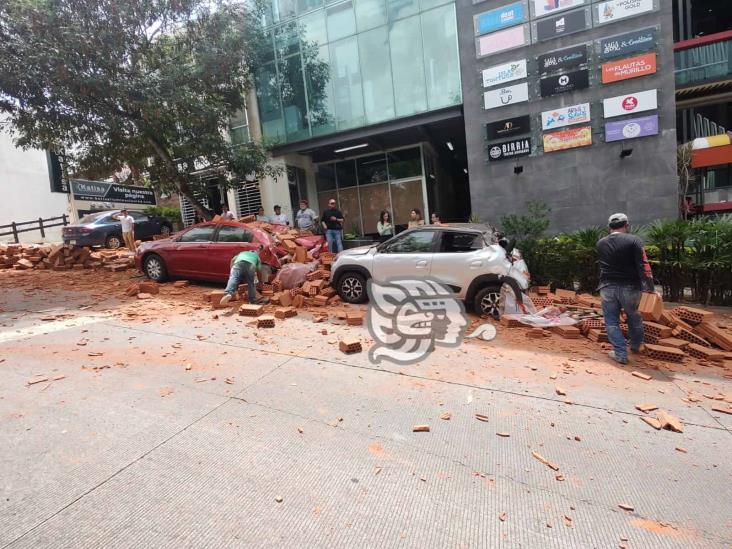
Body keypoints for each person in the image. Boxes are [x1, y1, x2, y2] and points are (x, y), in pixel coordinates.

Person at [596, 213, 655, 365]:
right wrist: (649, 287)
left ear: (609, 227)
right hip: (630, 287)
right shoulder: (634, 240)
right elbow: (643, 265)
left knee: (611, 322)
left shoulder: (601, 243)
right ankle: (635, 346)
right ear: (627, 225)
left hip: (607, 287)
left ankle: (620, 353)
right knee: (634, 317)